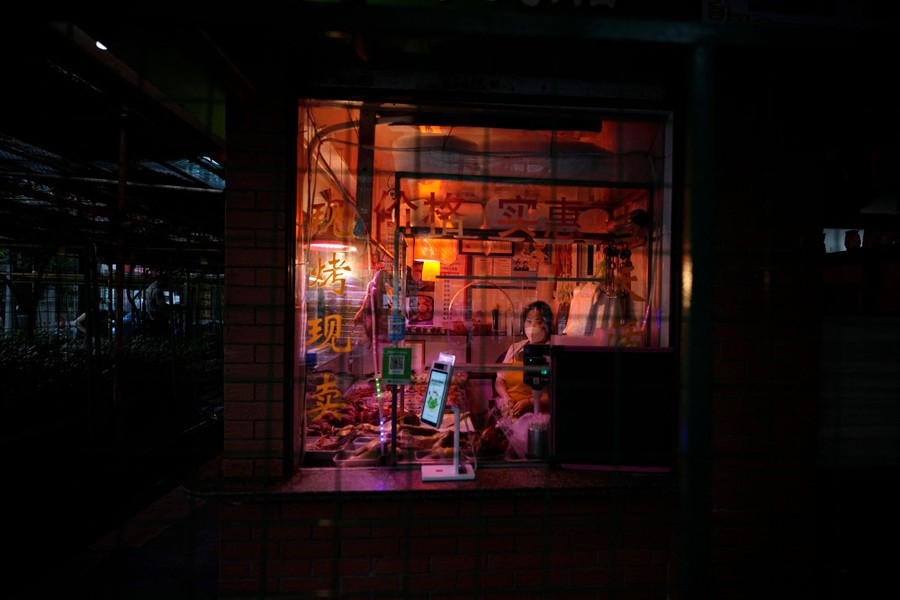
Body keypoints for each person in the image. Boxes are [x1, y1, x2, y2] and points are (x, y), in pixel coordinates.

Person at [494, 300, 554, 419]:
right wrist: (506, 398)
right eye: (529, 322)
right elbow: (499, 380)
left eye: (538, 322)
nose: (532, 327)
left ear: (548, 325)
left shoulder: (553, 352)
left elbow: (554, 395)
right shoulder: (516, 347)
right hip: (509, 413)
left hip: (537, 417)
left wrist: (529, 402)